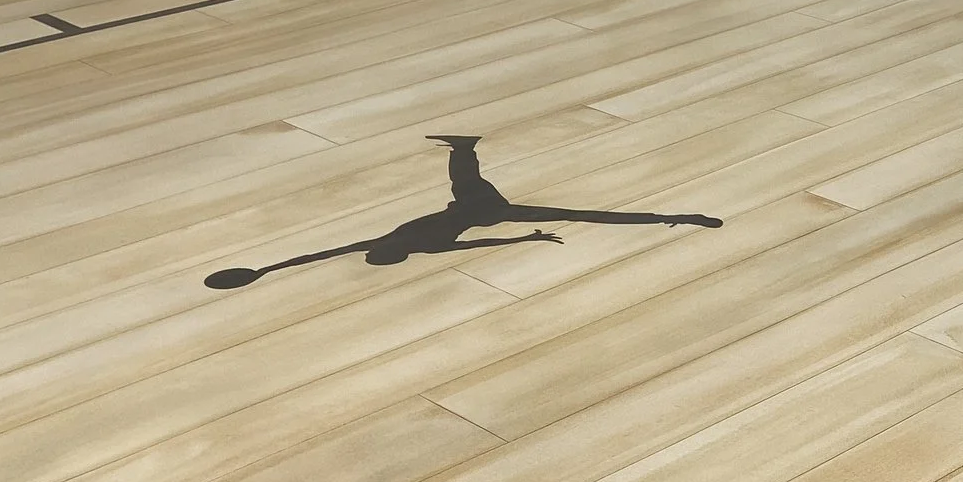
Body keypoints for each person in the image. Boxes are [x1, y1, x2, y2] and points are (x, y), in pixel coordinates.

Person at [205, 135, 721, 288]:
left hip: (481, 211)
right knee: (580, 213)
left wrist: (269, 269)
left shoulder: (412, 246)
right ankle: (675, 218)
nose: (375, 250)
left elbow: (315, 255)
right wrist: (523, 241)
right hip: (488, 212)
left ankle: (677, 218)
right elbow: (478, 242)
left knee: (579, 212)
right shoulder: (411, 244)